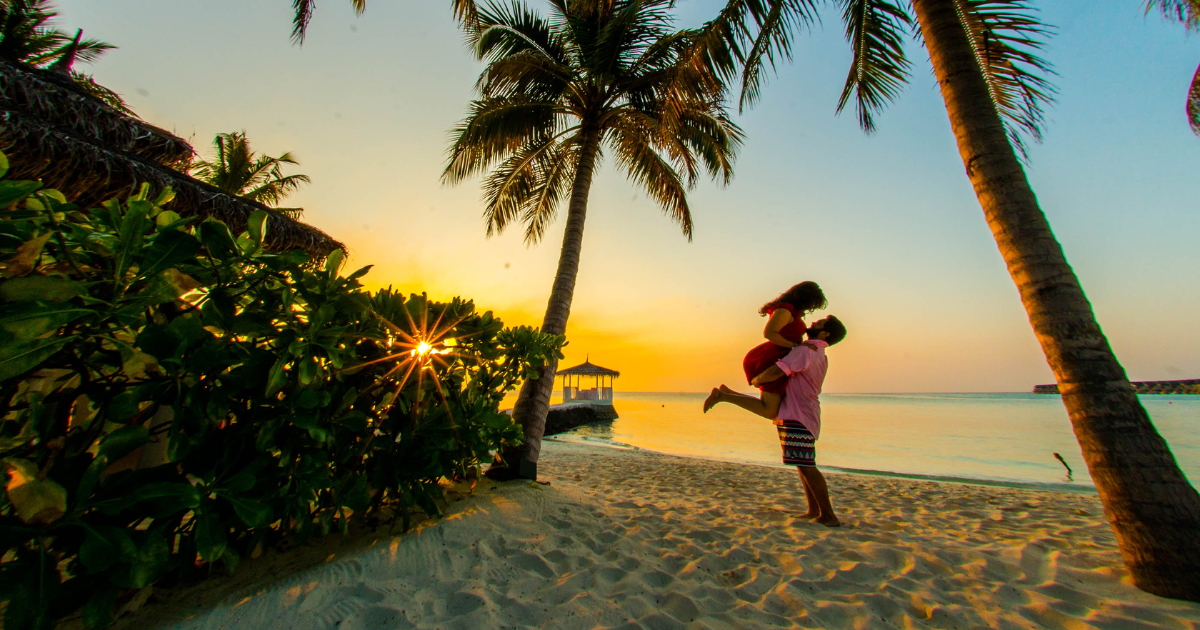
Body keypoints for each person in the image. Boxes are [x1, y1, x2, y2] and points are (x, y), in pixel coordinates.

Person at [703, 316, 847, 527]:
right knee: (803, 464)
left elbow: (777, 371)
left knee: (807, 465)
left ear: (825, 333)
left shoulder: (806, 351)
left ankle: (828, 515)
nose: (814, 322)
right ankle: (814, 510)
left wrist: (757, 380)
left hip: (798, 414)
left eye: (820, 323)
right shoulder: (817, 352)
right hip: (802, 413)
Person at [734, 282, 828, 418]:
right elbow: (769, 333)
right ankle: (723, 395)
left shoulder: (792, 312)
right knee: (769, 410)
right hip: (773, 358)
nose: (810, 308)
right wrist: (794, 346)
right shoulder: (784, 311)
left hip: (784, 358)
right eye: (811, 304)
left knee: (774, 408)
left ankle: (725, 394)